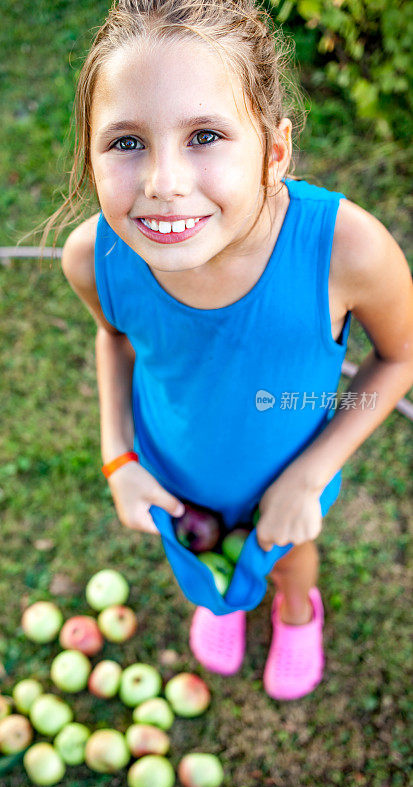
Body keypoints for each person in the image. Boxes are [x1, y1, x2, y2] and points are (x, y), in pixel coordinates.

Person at [37, 0, 413, 700]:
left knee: (291, 558)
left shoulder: (343, 250)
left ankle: (297, 609)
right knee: (203, 561)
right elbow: (112, 338)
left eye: (204, 135)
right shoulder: (94, 257)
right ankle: (217, 602)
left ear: (273, 151)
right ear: (89, 154)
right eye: (126, 143)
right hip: (173, 474)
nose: (163, 182)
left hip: (290, 471)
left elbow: (400, 358)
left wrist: (310, 474)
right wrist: (117, 455)